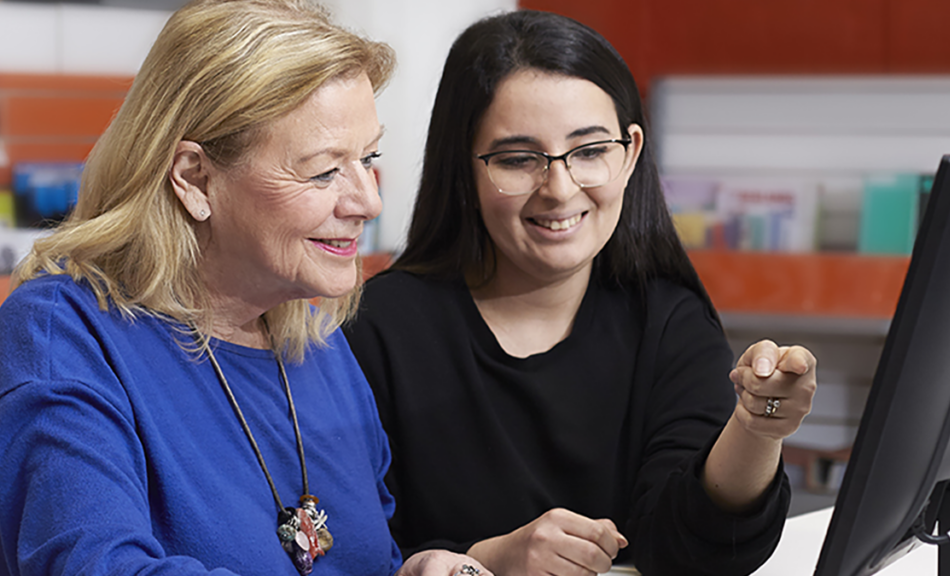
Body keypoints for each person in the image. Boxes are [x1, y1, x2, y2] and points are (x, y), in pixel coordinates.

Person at [0, 2, 492, 576]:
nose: (368, 201)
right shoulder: (60, 336)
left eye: (369, 159)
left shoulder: (318, 340)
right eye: (323, 170)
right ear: (194, 178)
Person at [343, 9, 817, 576]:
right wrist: (487, 559)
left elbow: (692, 547)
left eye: (590, 151)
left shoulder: (668, 319)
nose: (560, 189)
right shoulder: (377, 331)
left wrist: (756, 429)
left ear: (630, 154)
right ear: (462, 170)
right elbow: (351, 553)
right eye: (518, 160)